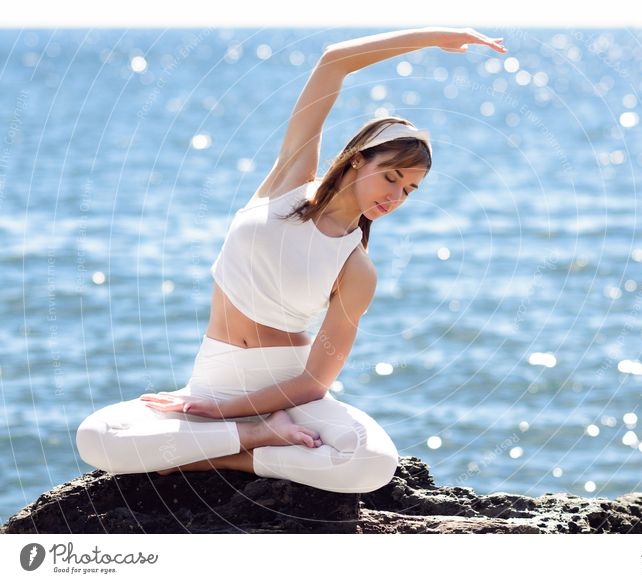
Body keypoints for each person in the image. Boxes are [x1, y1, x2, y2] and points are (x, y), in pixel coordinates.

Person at [75, 27, 506, 494]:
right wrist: (432, 37)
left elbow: (313, 382)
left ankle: (230, 456)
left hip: (288, 392)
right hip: (212, 378)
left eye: (410, 189)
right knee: (96, 438)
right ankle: (253, 440)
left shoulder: (357, 267)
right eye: (393, 177)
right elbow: (333, 62)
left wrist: (222, 415)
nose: (396, 195)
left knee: (372, 462)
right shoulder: (289, 184)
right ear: (358, 160)